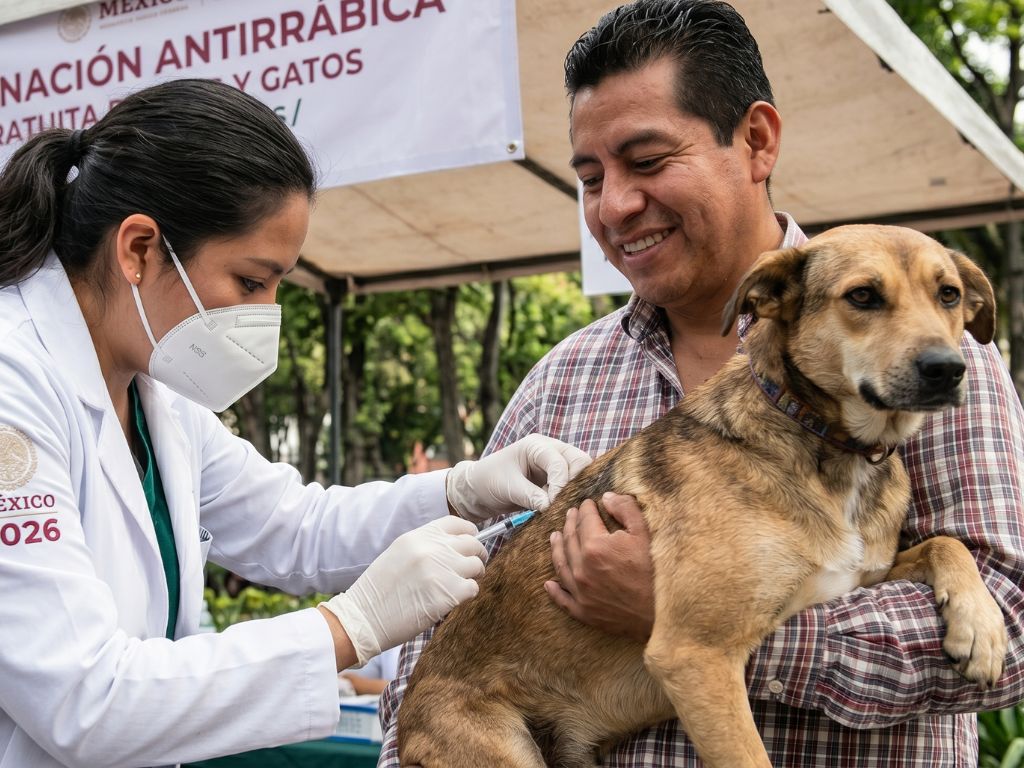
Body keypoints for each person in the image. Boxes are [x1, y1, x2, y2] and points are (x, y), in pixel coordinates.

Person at [378, 1, 1024, 765]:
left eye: (647, 161)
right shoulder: (562, 379)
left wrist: (687, 618)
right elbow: (443, 620)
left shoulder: (934, 370)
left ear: (756, 141)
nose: (615, 205)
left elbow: (1011, 628)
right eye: (590, 177)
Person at [0, 78, 592, 768]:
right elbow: (86, 700)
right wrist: (349, 626)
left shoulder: (157, 396)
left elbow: (295, 526)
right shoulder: (15, 381)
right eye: (251, 281)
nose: (266, 312)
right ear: (138, 249)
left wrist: (460, 491)